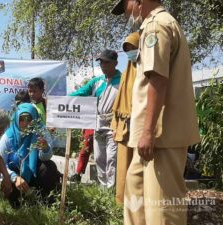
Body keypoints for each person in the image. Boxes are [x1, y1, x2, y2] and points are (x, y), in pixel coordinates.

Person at [112, 1, 200, 224]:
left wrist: (148, 132)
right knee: (136, 203)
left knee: (162, 211)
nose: (125, 14)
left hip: (160, 137)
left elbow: (158, 81)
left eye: (126, 6)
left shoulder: (156, 26)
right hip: (151, 137)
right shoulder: (159, 24)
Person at [70, 49, 121, 188]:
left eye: (106, 62)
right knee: (99, 158)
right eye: (101, 62)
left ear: (115, 63)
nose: (103, 65)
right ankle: (103, 188)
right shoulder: (97, 81)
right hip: (98, 123)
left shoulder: (123, 81)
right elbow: (81, 92)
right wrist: (61, 100)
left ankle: (112, 190)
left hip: (115, 125)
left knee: (112, 158)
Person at [0, 103, 60, 209]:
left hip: (34, 171)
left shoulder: (40, 131)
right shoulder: (8, 136)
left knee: (49, 166)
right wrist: (14, 177)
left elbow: (46, 157)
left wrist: (45, 148)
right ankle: (18, 204)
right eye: (22, 119)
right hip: (15, 174)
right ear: (16, 118)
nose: (25, 123)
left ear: (35, 118)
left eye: (29, 119)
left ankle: (44, 199)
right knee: (13, 199)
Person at [110, 31, 140, 204]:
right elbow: (118, 103)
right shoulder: (126, 73)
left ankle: (137, 204)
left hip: (140, 126)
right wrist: (115, 127)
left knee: (138, 171)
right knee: (123, 168)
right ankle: (120, 203)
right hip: (123, 127)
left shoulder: (146, 71)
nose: (130, 52)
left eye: (133, 47)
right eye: (127, 49)